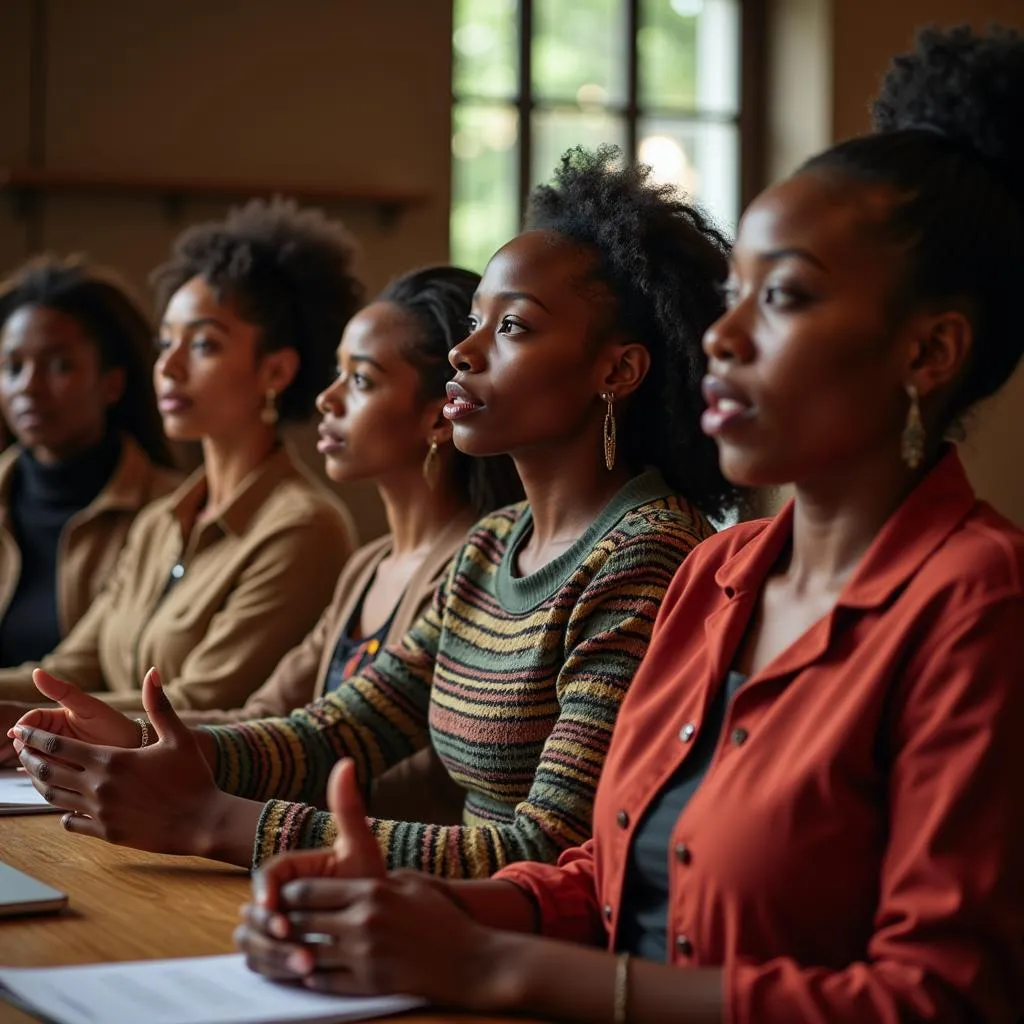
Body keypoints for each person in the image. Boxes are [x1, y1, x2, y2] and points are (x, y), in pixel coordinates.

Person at [226, 26, 1024, 1023]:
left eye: (782, 299)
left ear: (930, 351)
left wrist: (482, 965)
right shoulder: (722, 573)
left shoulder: (977, 603)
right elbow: (606, 870)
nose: (723, 339)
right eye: (732, 299)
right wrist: (413, 907)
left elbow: (934, 997)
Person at [9, 147, 739, 875]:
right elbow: (334, 732)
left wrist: (214, 823)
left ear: (617, 371)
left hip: (508, 954)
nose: (463, 351)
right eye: (474, 321)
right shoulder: (491, 548)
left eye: (511, 327)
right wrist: (140, 741)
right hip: (436, 935)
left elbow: (547, 851)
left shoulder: (649, 555)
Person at [0, 198, 359, 721]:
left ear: (275, 372)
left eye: (204, 345)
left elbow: (200, 705)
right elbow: (67, 669)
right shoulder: (159, 520)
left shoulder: (303, 528)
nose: (167, 365)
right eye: (165, 342)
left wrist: (24, 718)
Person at [0, 257, 179, 667]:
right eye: (12, 367)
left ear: (112, 383)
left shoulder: (169, 510)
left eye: (60, 365)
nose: (29, 385)